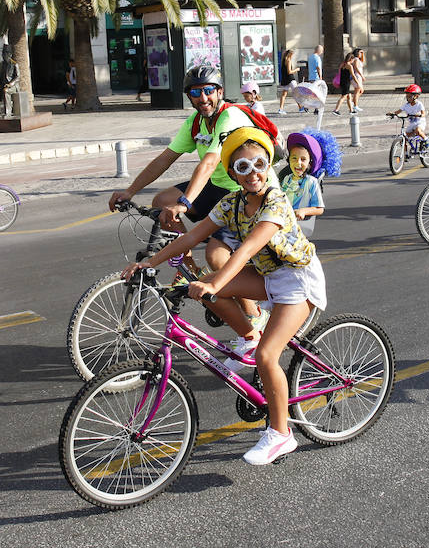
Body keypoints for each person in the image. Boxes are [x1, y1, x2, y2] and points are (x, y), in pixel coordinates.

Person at [122, 127, 327, 465]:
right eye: (243, 168)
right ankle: (247, 335)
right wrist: (147, 263)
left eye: (259, 163)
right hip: (267, 277)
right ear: (232, 174)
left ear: (269, 164)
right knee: (200, 288)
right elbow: (191, 238)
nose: (253, 174)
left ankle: (280, 434)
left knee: (267, 356)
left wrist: (216, 283)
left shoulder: (275, 201)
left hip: (298, 281)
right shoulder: (231, 202)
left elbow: (245, 251)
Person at [107, 66, 265, 329]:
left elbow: (210, 162)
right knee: (161, 201)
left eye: (208, 91)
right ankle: (189, 270)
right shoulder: (196, 122)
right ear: (189, 97)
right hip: (216, 185)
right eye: (195, 92)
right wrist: (130, 190)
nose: (203, 98)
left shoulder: (231, 117)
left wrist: (185, 203)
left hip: (245, 189)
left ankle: (254, 316)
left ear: (220, 92)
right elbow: (165, 158)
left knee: (217, 256)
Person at [281, 132, 326, 238]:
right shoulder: (286, 179)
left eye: (303, 159)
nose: (298, 163)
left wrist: (304, 211)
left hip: (299, 229)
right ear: (289, 160)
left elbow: (319, 209)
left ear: (309, 162)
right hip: (283, 224)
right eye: (294, 158)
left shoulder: (311, 182)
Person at [277, 49, 301, 115]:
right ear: (290, 54)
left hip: (285, 79)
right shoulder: (289, 60)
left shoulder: (283, 60)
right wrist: (296, 69)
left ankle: (281, 109)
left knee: (284, 95)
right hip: (290, 79)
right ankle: (301, 107)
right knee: (297, 93)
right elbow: (289, 72)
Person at [0, 45, 20, 117]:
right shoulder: (2, 64)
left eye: (5, 53)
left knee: (5, 91)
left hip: (13, 86)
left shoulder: (14, 64)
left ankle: (7, 112)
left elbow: (18, 77)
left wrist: (10, 84)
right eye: (3, 53)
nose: (3, 55)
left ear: (10, 54)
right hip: (3, 84)